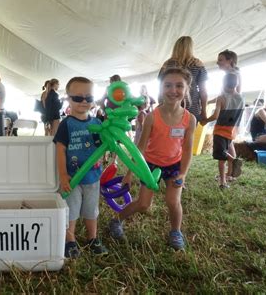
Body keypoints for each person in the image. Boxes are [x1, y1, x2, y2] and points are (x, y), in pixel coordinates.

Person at [110, 68, 196, 250]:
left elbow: (188, 149)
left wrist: (183, 173)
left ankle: (176, 231)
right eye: (168, 85)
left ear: (187, 89)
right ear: (161, 88)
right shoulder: (151, 117)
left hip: (174, 165)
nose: (173, 90)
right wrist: (129, 174)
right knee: (143, 204)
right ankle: (116, 220)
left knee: (173, 201)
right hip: (150, 166)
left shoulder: (190, 119)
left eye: (179, 85)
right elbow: (139, 148)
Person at [54, 76, 107, 258]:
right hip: (72, 178)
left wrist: (103, 156)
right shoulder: (66, 124)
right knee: (72, 210)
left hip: (93, 177)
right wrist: (62, 175)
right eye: (78, 98)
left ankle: (93, 238)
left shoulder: (97, 124)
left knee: (91, 210)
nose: (84, 102)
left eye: (88, 98)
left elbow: (103, 146)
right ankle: (70, 240)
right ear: (68, 99)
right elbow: (60, 150)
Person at [201, 73, 245, 188]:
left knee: (221, 156)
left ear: (224, 83)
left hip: (221, 130)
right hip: (233, 131)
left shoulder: (222, 98)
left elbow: (215, 116)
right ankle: (229, 173)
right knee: (226, 150)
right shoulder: (241, 98)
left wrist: (205, 120)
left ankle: (223, 182)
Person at [159, 36, 208, 122]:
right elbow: (203, 91)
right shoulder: (198, 65)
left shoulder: (167, 64)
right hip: (192, 108)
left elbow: (161, 87)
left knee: (167, 133)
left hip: (169, 106)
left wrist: (160, 104)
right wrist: (204, 111)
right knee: (189, 133)